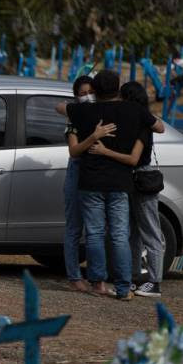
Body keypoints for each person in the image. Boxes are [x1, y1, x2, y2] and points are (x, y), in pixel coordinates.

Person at [66, 70, 164, 300]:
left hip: (90, 183)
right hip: (120, 183)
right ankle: (123, 287)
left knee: (95, 234)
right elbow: (159, 127)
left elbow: (61, 108)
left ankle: (98, 282)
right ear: (117, 90)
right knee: (120, 235)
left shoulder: (82, 111)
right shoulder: (134, 111)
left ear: (96, 91)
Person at [55, 76, 105, 292]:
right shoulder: (75, 118)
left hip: (99, 173)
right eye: (83, 94)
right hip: (78, 171)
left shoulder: (105, 112)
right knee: (75, 228)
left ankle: (97, 279)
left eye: (90, 92)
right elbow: (74, 150)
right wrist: (93, 138)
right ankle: (75, 277)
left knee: (96, 230)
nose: (88, 97)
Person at [120, 81, 165, 297]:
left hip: (142, 178)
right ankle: (134, 276)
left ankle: (155, 281)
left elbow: (160, 127)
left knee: (150, 232)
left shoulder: (142, 121)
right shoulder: (137, 119)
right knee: (134, 233)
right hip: (133, 179)